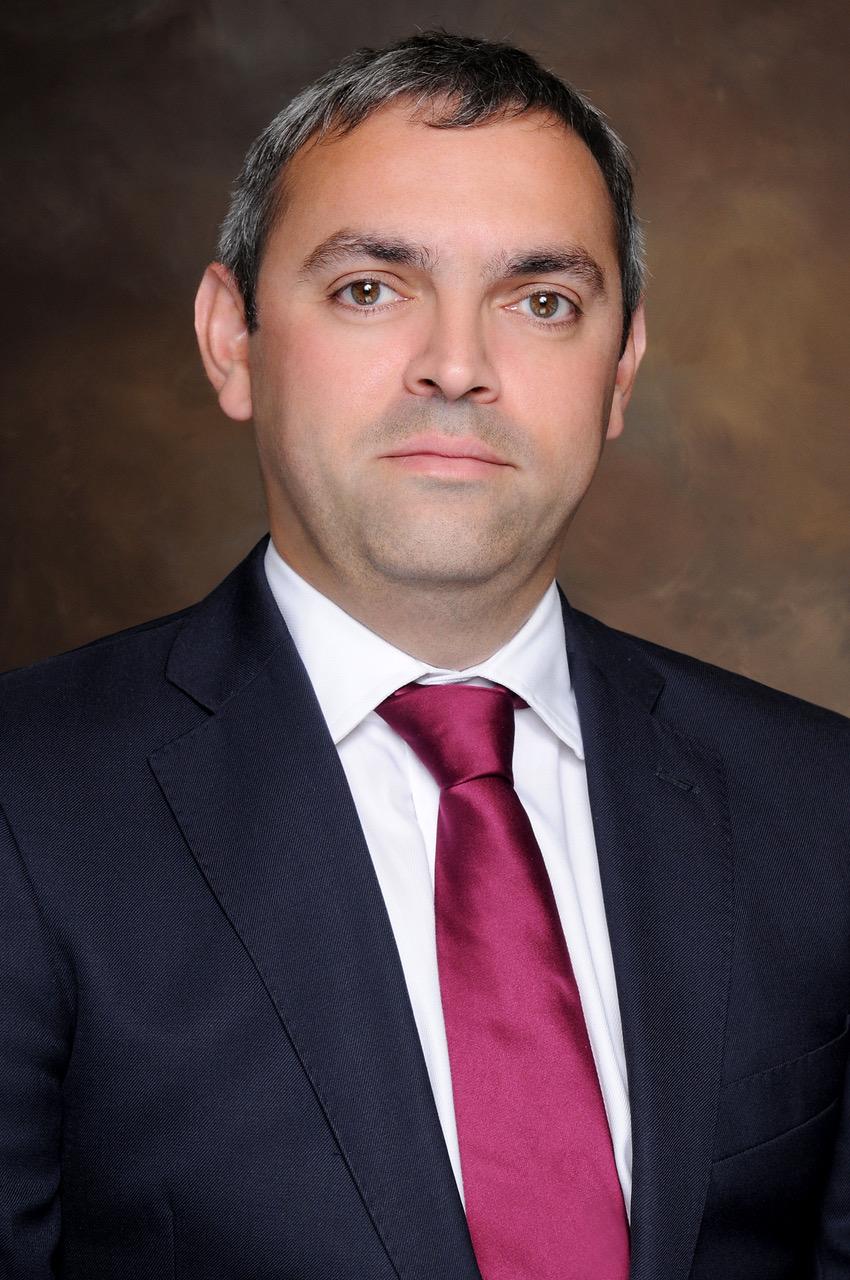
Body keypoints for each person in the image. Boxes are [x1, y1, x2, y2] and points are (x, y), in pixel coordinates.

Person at [1, 28, 848, 1280]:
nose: (456, 366)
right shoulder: (28, 801)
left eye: (541, 302)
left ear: (620, 370)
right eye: (370, 287)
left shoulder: (820, 805)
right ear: (232, 339)